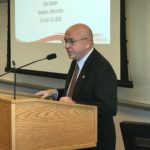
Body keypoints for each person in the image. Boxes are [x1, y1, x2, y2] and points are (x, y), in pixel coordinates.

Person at [35, 23, 117, 150]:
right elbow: (76, 92)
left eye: (71, 42)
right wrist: (55, 92)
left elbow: (109, 108)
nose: (66, 46)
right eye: (65, 41)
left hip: (96, 140)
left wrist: (75, 105)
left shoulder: (101, 68)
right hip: (77, 135)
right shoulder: (77, 62)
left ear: (87, 43)